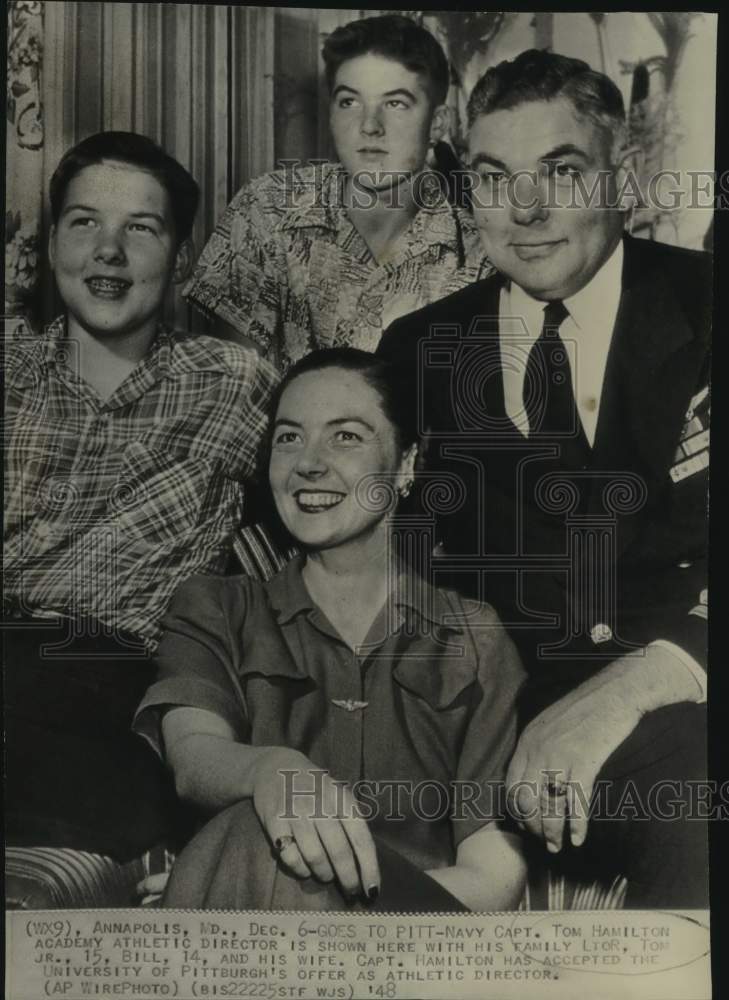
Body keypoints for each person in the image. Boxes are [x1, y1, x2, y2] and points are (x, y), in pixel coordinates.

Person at [378, 50, 710, 907]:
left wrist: (632, 690)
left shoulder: (710, 309)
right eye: (494, 178)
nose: (523, 209)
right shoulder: (417, 348)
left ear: (622, 178)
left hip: (672, 703)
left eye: (559, 172)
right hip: (479, 728)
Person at [133, 349, 527, 911]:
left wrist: (341, 902)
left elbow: (494, 876)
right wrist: (275, 769)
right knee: (255, 832)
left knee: (283, 861)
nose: (309, 463)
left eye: (345, 437)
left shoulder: (474, 635)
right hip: (240, 939)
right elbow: (195, 758)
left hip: (403, 944)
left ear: (407, 463)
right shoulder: (216, 606)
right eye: (289, 438)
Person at [4, 131, 278, 859]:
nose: (108, 251)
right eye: (84, 222)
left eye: (141, 229)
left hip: (127, 684)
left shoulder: (232, 381)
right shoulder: (7, 375)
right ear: (55, 236)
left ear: (181, 258)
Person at [183, 14, 491, 371]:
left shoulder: (475, 250)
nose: (370, 126)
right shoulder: (267, 208)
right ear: (330, 113)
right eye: (349, 102)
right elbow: (234, 387)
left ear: (437, 123)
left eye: (395, 104)